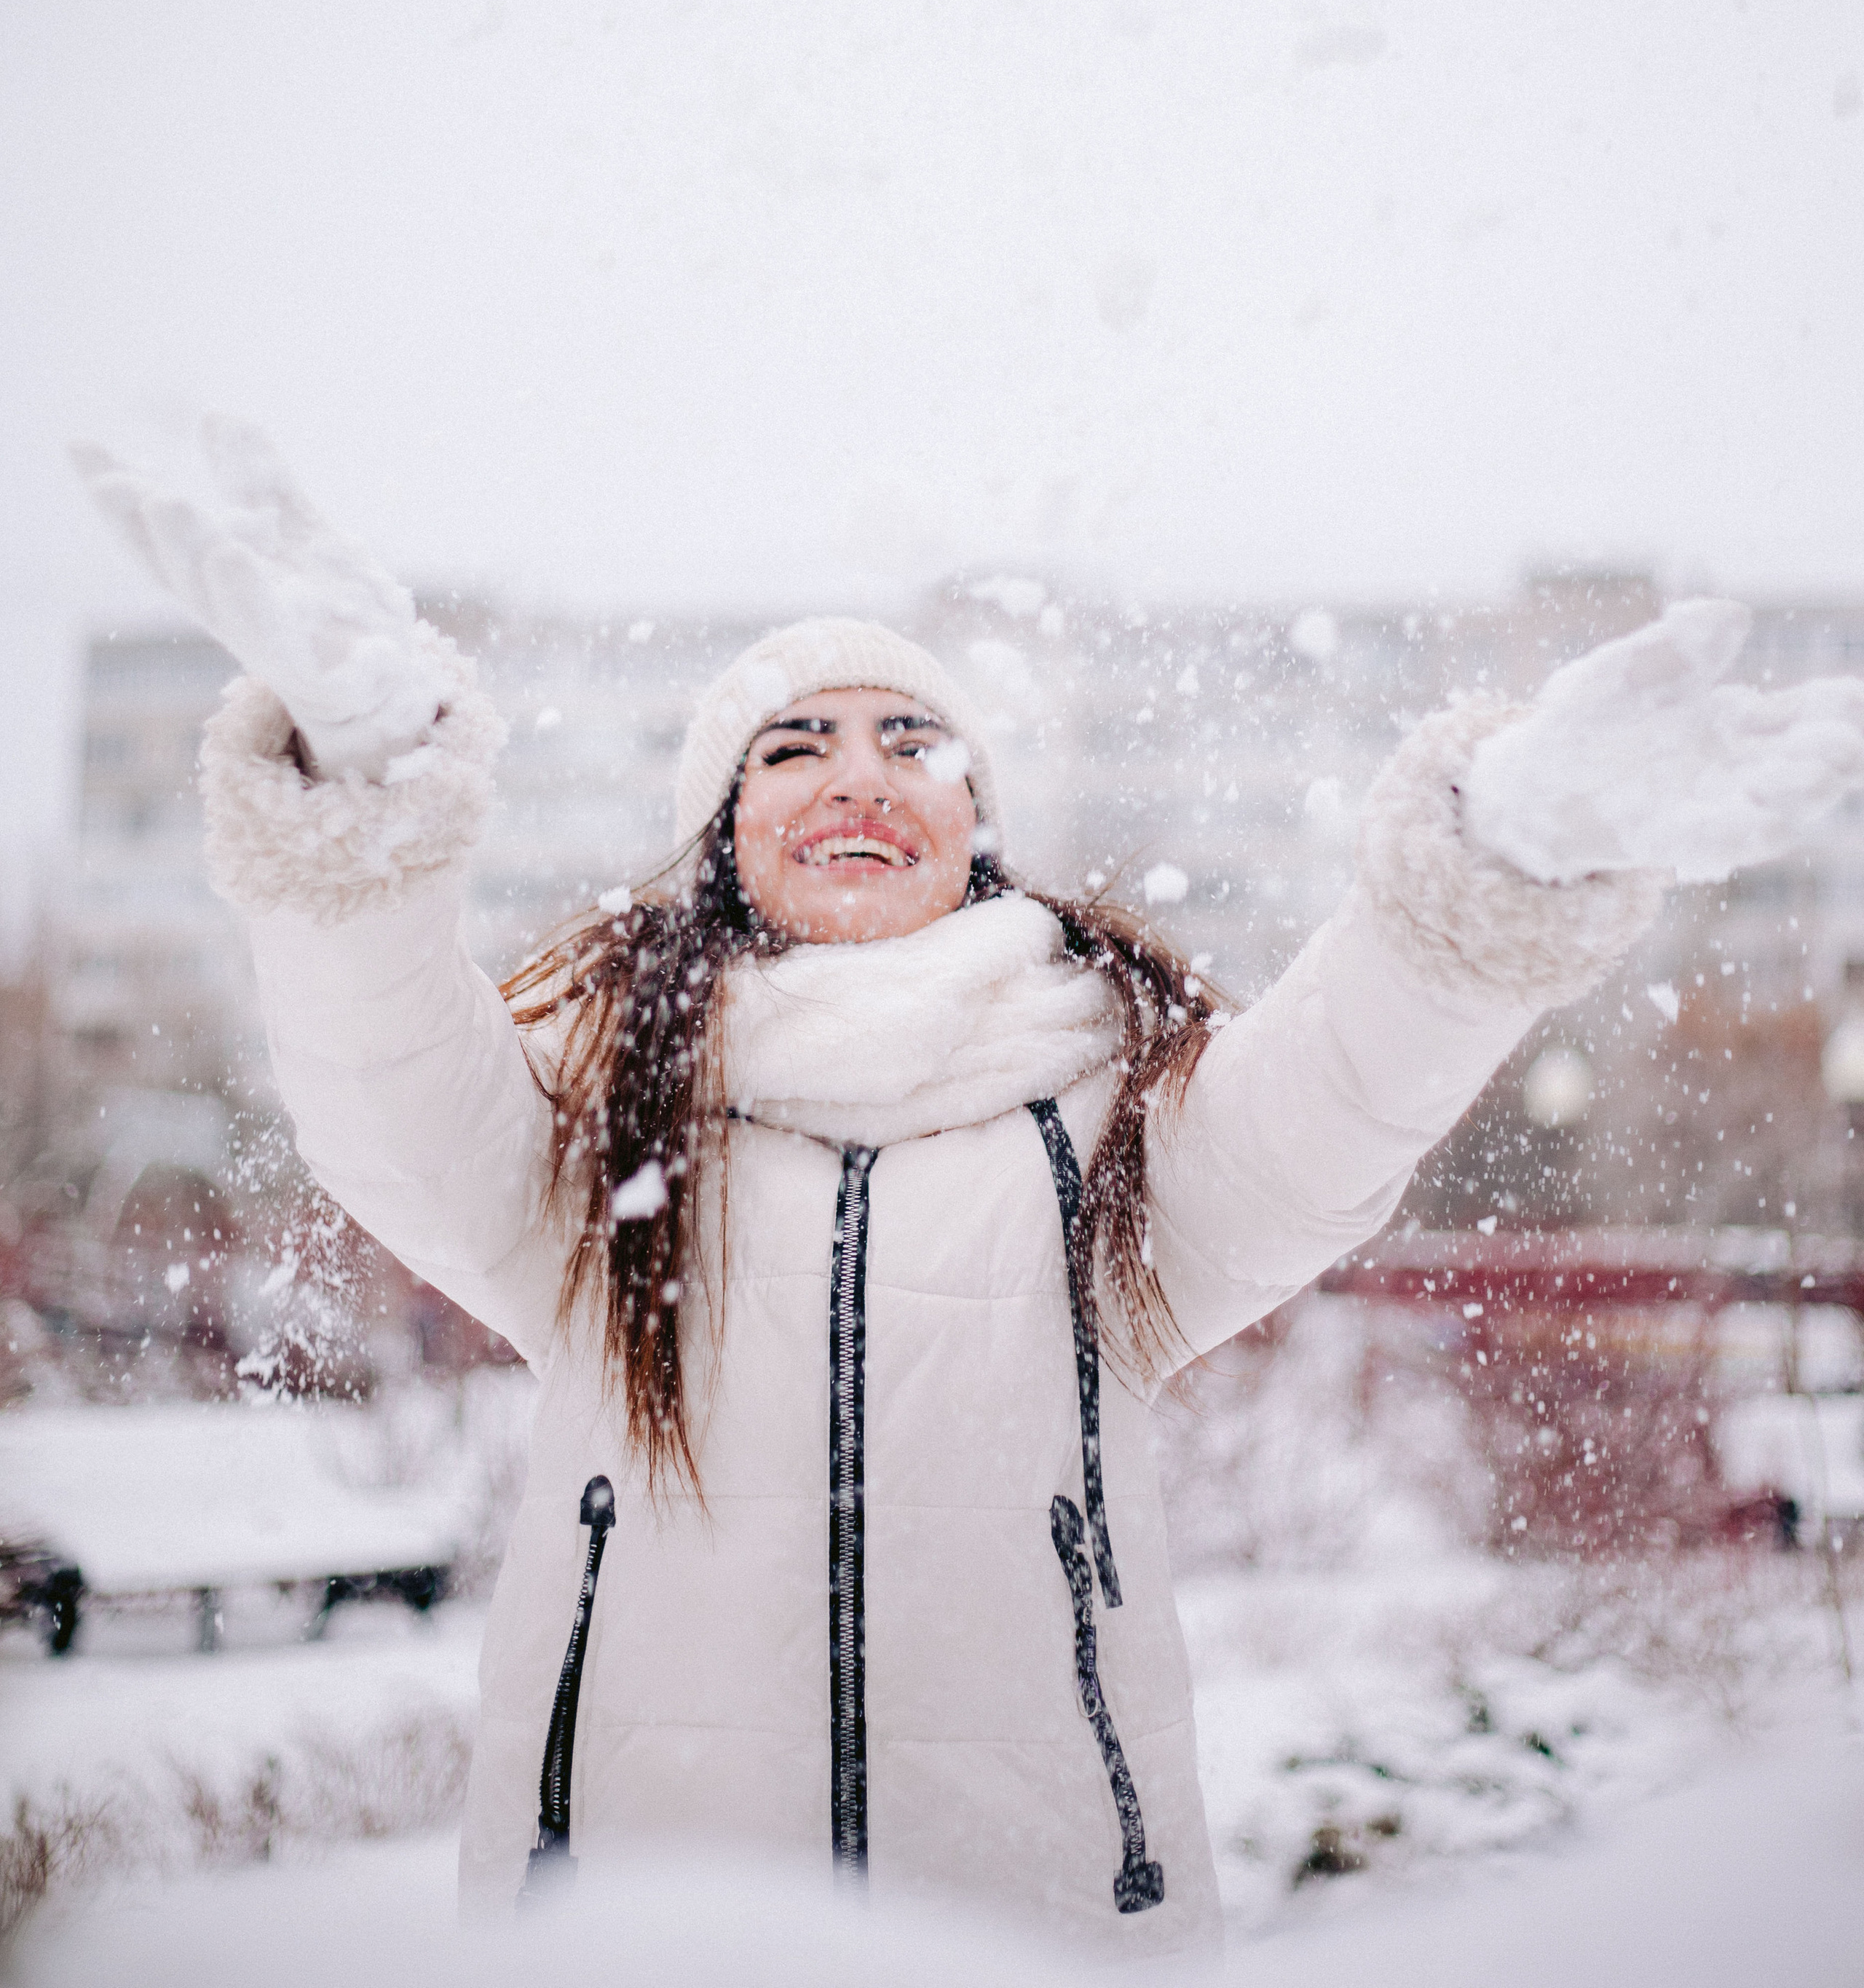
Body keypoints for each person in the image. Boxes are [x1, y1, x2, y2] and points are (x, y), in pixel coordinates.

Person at [74, 421, 1864, 1960]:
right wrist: (361, 788)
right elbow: (387, 1087)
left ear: (975, 823)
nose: (856, 776)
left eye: (908, 742)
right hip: (636, 1929)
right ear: (724, 831)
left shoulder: (1105, 1132)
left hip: (1043, 1929)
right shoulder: (596, 1136)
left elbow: (1329, 1101)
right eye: (793, 746)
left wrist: (1496, 871)